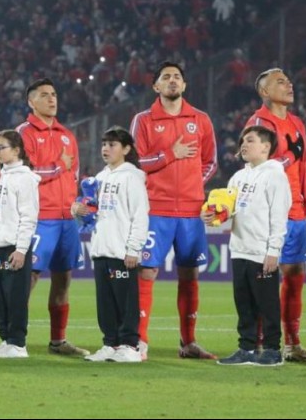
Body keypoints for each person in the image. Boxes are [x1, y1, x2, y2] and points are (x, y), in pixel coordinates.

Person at [130, 62, 218, 360]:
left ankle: (189, 342)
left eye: (177, 77)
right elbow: (135, 163)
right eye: (165, 77)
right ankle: (139, 341)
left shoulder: (201, 119)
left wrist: (194, 185)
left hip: (192, 211)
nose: (172, 81)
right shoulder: (143, 121)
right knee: (147, 270)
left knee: (189, 272)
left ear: (185, 85)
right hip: (157, 208)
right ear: (155, 86)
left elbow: (210, 162)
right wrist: (170, 154)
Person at [245, 68, 306, 363]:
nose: (289, 83)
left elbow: (300, 168)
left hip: (296, 208)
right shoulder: (259, 122)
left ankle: (292, 344)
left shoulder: (296, 122)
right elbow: (256, 164)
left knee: (294, 274)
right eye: (280, 81)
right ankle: (258, 341)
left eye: (289, 80)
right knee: (264, 274)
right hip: (268, 212)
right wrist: (290, 155)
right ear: (265, 92)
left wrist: (304, 199)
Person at [15, 78, 89, 356]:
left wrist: (75, 203)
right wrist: (59, 166)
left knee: (63, 278)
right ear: (31, 102)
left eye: (54, 94)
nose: (51, 99)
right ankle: (14, 337)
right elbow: (27, 174)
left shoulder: (67, 135)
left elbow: (75, 174)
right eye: (44, 95)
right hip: (40, 217)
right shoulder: (23, 133)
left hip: (66, 219)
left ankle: (58, 340)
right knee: (28, 278)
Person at [210, 126, 290, 367]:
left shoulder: (275, 175)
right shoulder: (238, 177)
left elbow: (279, 216)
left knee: (267, 304)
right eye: (243, 141)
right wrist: (217, 216)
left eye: (250, 141)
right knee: (243, 304)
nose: (243, 145)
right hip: (239, 248)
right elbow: (231, 212)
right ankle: (246, 348)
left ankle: (273, 350)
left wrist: (273, 251)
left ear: (265, 146)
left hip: (261, 251)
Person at [76, 127, 148, 363]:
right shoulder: (100, 177)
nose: (106, 148)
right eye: (104, 144)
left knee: (125, 301)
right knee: (105, 302)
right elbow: (92, 211)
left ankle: (130, 345)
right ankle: (110, 343)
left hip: (121, 250)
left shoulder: (132, 178)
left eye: (112, 144)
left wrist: (133, 249)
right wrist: (78, 210)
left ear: (126, 149)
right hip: (101, 248)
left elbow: (140, 215)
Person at [0, 130, 38, 359]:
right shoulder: (3, 177)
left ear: (17, 150)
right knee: (1, 296)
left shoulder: (25, 178)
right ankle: (6, 340)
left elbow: (28, 216)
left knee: (15, 295)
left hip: (14, 245)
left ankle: (18, 343)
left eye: (2, 147)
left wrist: (21, 249)